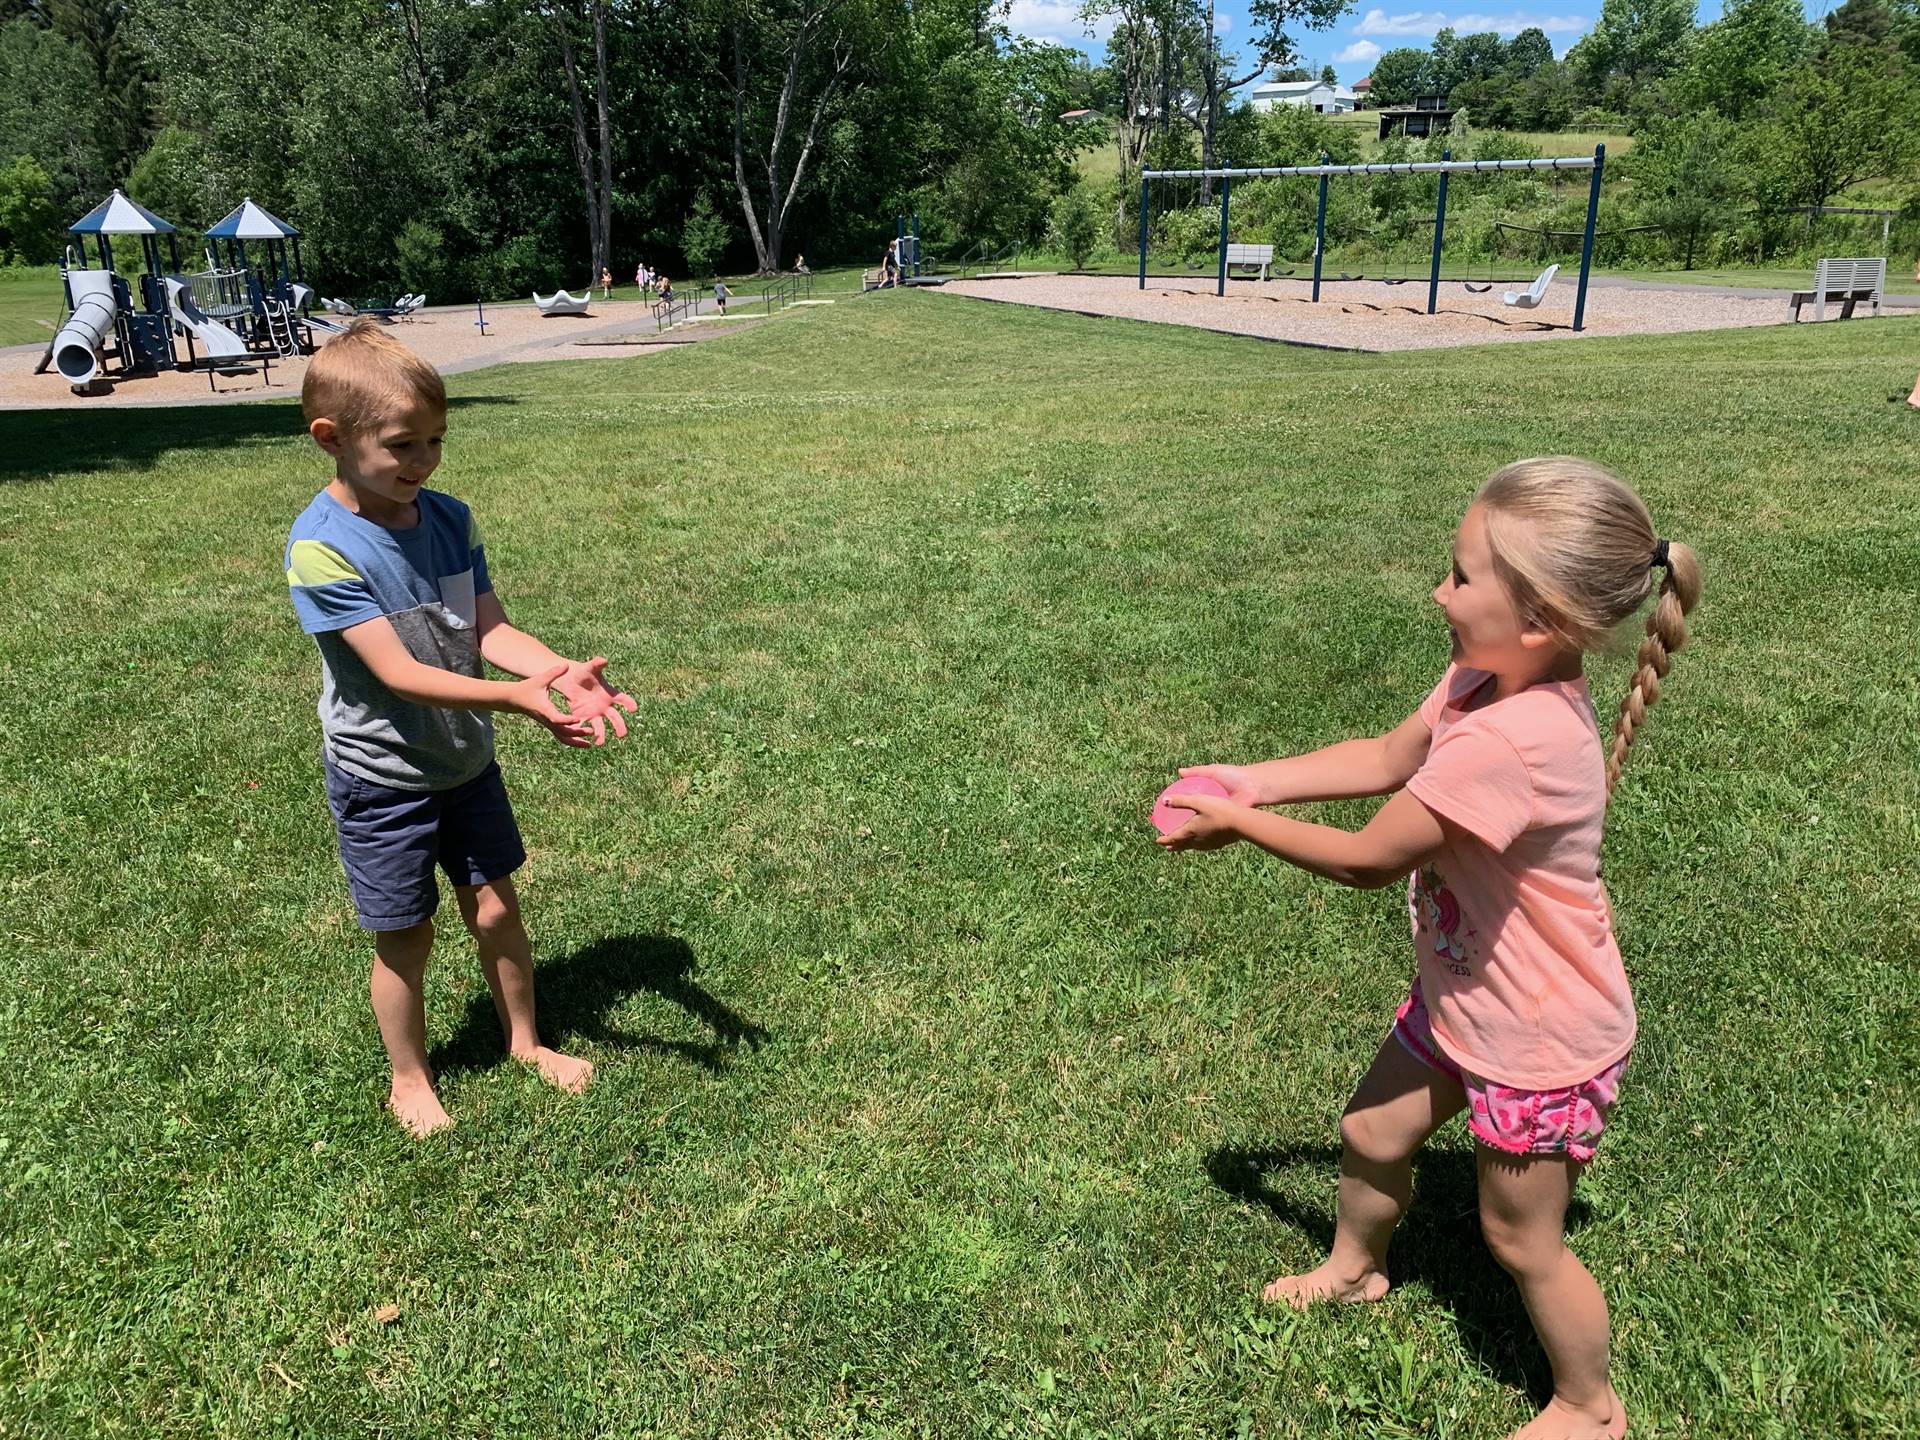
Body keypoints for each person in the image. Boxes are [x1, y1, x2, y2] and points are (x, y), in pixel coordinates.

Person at [1158, 458, 1701, 1440]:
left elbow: (1370, 860)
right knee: (1371, 1132)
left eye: (1458, 576)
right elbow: (1384, 758)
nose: (1437, 592)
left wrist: (1238, 826)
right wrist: (1254, 780)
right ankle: (1355, 1268)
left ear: (1540, 623)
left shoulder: (1518, 740)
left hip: (1538, 1032)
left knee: (1520, 1238)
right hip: (1467, 996)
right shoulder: (1483, 676)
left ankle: (1592, 1406)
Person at [283, 319, 638, 1138]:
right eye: (404, 445)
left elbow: (487, 630)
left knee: (495, 908)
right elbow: (396, 673)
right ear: (331, 439)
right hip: (384, 774)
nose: (423, 462)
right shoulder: (321, 549)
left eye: (436, 441)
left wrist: (551, 673)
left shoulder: (449, 518)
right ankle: (409, 1078)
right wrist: (514, 702)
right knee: (405, 934)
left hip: (464, 763)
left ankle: (525, 1042)